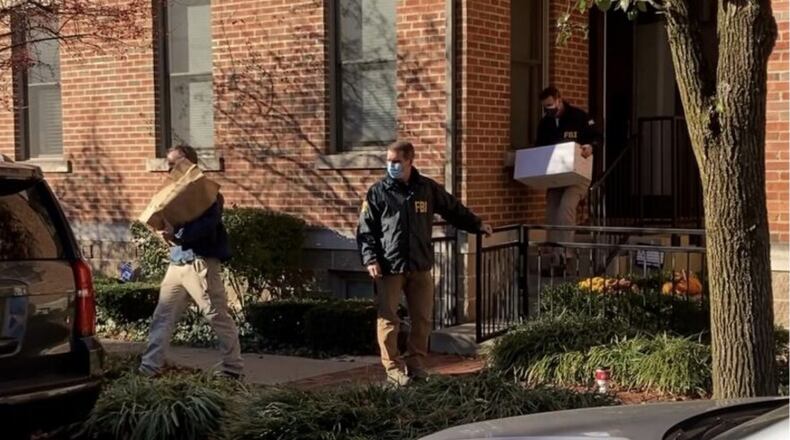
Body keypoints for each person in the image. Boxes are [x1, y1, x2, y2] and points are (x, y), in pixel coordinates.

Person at [357, 140, 493, 386]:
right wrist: (370, 258)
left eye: (397, 161)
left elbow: (452, 209)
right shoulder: (378, 192)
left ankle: (416, 364)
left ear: (410, 161)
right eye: (389, 161)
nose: (391, 166)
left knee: (422, 319)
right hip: (389, 266)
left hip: (420, 264)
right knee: (388, 320)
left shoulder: (426, 189)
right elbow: (366, 229)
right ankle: (393, 369)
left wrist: (477, 224)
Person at [139, 145, 243, 379]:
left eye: (174, 163)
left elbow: (206, 226)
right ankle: (149, 369)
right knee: (162, 316)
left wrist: (177, 233)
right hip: (177, 263)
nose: (170, 169)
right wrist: (162, 230)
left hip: (200, 263)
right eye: (168, 164)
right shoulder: (171, 192)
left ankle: (233, 369)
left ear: (188, 162)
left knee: (216, 316)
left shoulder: (208, 193)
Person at [535, 86, 603, 275]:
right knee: (552, 211)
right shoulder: (545, 124)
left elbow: (597, 136)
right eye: (545, 107)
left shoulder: (579, 117)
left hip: (578, 176)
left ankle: (566, 256)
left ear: (559, 99)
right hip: (557, 176)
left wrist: (591, 147)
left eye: (551, 105)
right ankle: (553, 257)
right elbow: (539, 147)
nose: (549, 110)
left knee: (566, 208)